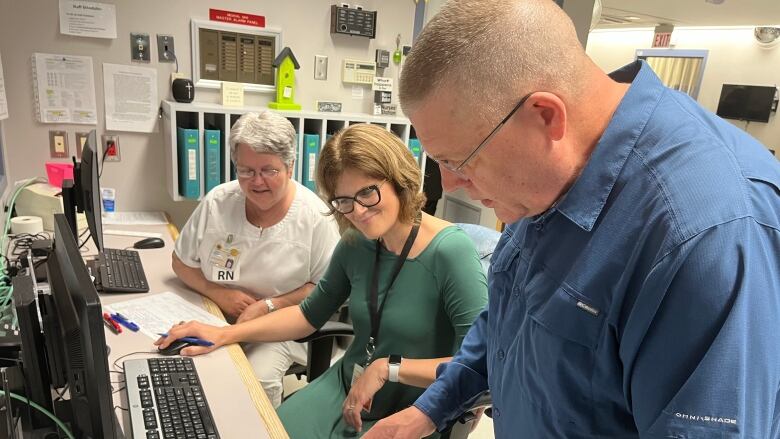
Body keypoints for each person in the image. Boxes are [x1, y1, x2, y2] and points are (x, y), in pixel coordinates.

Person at [365, 0, 780, 438]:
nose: (449, 185)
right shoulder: (543, 178)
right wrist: (429, 410)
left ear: (545, 116)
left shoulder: (704, 235)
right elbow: (508, 326)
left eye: (461, 161)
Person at [158, 123, 488, 438]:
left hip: (417, 409)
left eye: (368, 193)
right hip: (348, 388)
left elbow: (479, 364)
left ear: (399, 180)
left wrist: (390, 368)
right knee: (267, 430)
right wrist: (224, 334)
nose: (357, 212)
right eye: (343, 201)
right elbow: (307, 315)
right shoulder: (357, 242)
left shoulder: (450, 252)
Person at [171, 111, 340, 407]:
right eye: (246, 171)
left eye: (269, 170)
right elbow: (181, 261)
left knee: (254, 381)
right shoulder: (218, 201)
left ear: (290, 167)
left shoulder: (315, 218)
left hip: (281, 328)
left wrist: (268, 305)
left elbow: (326, 289)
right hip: (216, 310)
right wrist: (219, 294)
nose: (257, 182)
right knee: (182, 363)